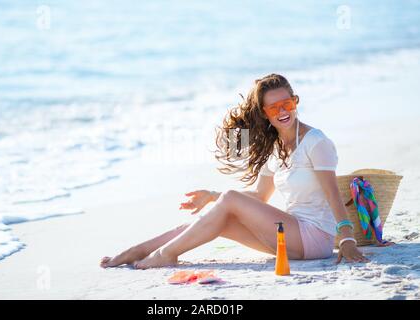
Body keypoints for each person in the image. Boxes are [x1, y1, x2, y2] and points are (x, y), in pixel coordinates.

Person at [100, 73, 368, 269]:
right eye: (274, 107)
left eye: (288, 103)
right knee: (214, 218)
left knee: (228, 200)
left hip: (315, 238)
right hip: (289, 238)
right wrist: (212, 196)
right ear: (264, 113)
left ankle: (164, 256)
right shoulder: (275, 147)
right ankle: (138, 250)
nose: (283, 111)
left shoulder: (316, 141)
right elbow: (260, 197)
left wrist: (346, 238)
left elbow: (333, 196)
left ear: (295, 101)